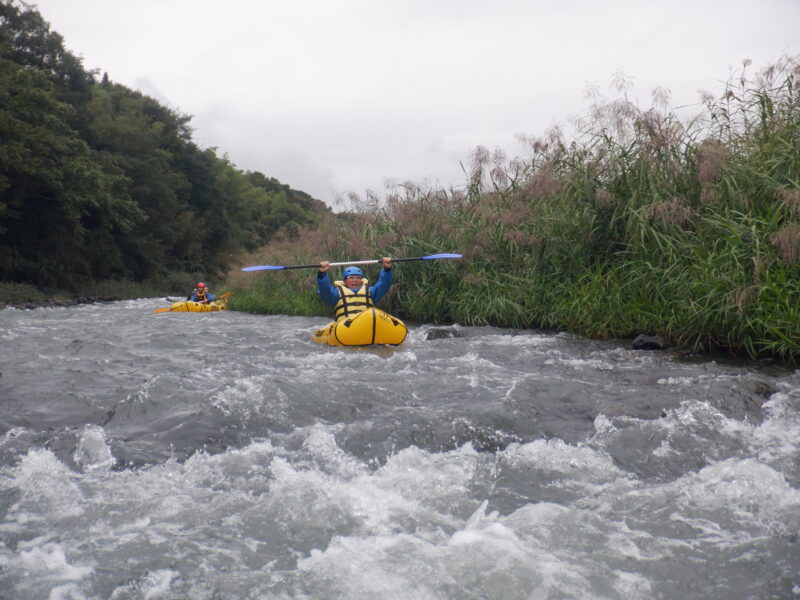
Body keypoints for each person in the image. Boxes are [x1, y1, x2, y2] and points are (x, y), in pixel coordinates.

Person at [317, 258, 393, 320]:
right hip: (345, 328)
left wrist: (387, 269)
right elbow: (325, 291)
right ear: (344, 281)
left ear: (361, 280)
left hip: (366, 326)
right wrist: (322, 273)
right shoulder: (336, 294)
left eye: (358, 277)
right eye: (351, 277)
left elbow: (384, 285)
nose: (355, 280)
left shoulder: (370, 292)